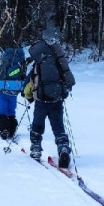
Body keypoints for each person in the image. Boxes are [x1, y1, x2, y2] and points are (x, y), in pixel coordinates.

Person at [24, 37, 76, 167]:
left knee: (37, 126)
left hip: (41, 101)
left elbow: (29, 84)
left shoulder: (38, 64)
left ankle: (36, 149)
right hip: (57, 100)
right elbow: (68, 79)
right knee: (59, 127)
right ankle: (63, 148)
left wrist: (28, 96)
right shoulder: (58, 62)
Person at [0, 42, 27, 140]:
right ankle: (12, 129)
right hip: (14, 91)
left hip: (2, 90)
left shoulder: (3, 65)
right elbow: (24, 77)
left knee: (3, 111)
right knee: (12, 111)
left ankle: (4, 129)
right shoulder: (20, 65)